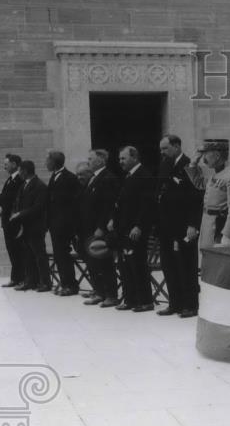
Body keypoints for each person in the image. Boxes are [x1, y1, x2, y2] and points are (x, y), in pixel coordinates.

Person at [156, 135, 204, 317]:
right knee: (169, 266)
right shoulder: (164, 165)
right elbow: (159, 193)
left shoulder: (190, 165)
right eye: (161, 149)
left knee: (186, 266)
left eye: (165, 149)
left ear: (176, 146)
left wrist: (193, 224)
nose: (162, 152)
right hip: (166, 225)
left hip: (184, 226)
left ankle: (190, 305)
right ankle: (174, 303)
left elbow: (196, 199)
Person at [109, 146, 155, 312]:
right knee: (125, 265)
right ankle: (130, 299)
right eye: (120, 159)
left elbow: (147, 205)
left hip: (135, 230)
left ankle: (145, 301)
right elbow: (122, 203)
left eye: (123, 158)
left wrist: (139, 226)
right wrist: (114, 220)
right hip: (123, 229)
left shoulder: (144, 175)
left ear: (134, 157)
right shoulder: (128, 176)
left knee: (137, 265)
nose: (120, 162)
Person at [79, 149, 120, 307]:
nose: (88, 161)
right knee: (93, 262)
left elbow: (108, 206)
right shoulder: (94, 178)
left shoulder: (108, 178)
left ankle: (111, 295)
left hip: (99, 229)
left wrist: (102, 227)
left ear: (101, 161)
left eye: (90, 159)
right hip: (88, 228)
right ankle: (99, 292)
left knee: (104, 262)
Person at [188, 139, 230, 247]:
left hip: (219, 228)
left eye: (206, 155)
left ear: (217, 155)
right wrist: (193, 164)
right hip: (207, 226)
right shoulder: (216, 173)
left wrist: (227, 234)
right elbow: (199, 183)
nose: (203, 159)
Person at [9, 159, 52, 292]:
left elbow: (38, 207)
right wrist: (15, 213)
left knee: (39, 255)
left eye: (20, 170)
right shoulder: (24, 185)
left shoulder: (39, 186)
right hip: (25, 226)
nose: (19, 173)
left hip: (36, 227)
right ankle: (31, 281)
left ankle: (45, 282)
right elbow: (18, 202)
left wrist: (19, 214)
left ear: (25, 171)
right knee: (28, 255)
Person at [44, 150, 81, 296]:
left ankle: (70, 285)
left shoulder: (70, 178)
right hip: (55, 224)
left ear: (54, 162)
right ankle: (65, 283)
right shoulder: (54, 176)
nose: (46, 163)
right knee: (59, 255)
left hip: (64, 225)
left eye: (47, 160)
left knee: (64, 255)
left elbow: (73, 203)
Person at [0, 153, 25, 287]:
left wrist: (3, 208)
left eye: (6, 164)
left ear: (14, 164)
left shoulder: (20, 179)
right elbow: (2, 195)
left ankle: (21, 278)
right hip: (7, 221)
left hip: (15, 222)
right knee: (11, 250)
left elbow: (14, 198)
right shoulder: (10, 179)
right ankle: (15, 278)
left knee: (17, 250)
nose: (4, 166)